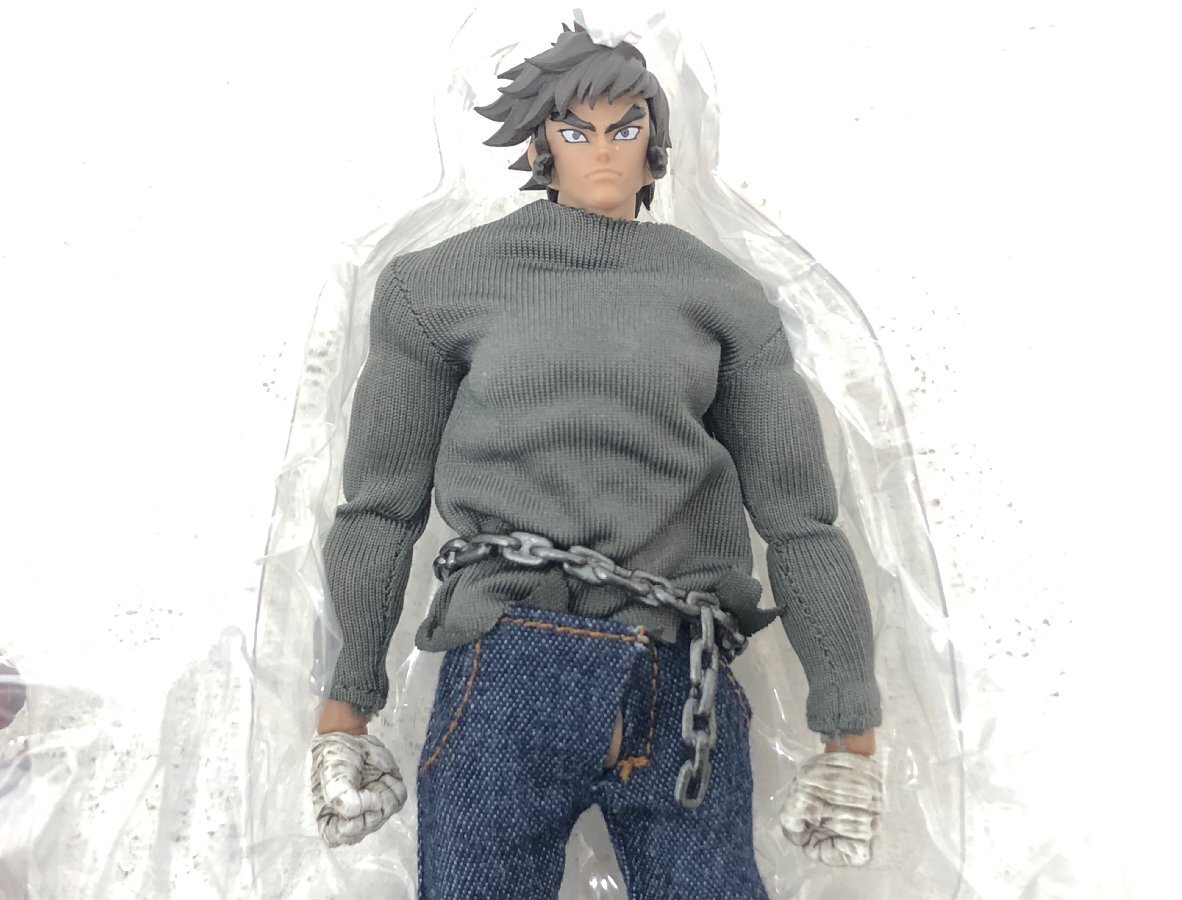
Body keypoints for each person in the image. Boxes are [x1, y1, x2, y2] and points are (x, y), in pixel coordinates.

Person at [309, 23, 884, 897]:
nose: (604, 151)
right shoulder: (439, 285)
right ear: (541, 145)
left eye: (625, 127)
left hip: (681, 673)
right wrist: (343, 711)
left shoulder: (721, 294)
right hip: (507, 661)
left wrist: (849, 732)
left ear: (657, 140)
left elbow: (799, 518)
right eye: (577, 131)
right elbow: (381, 508)